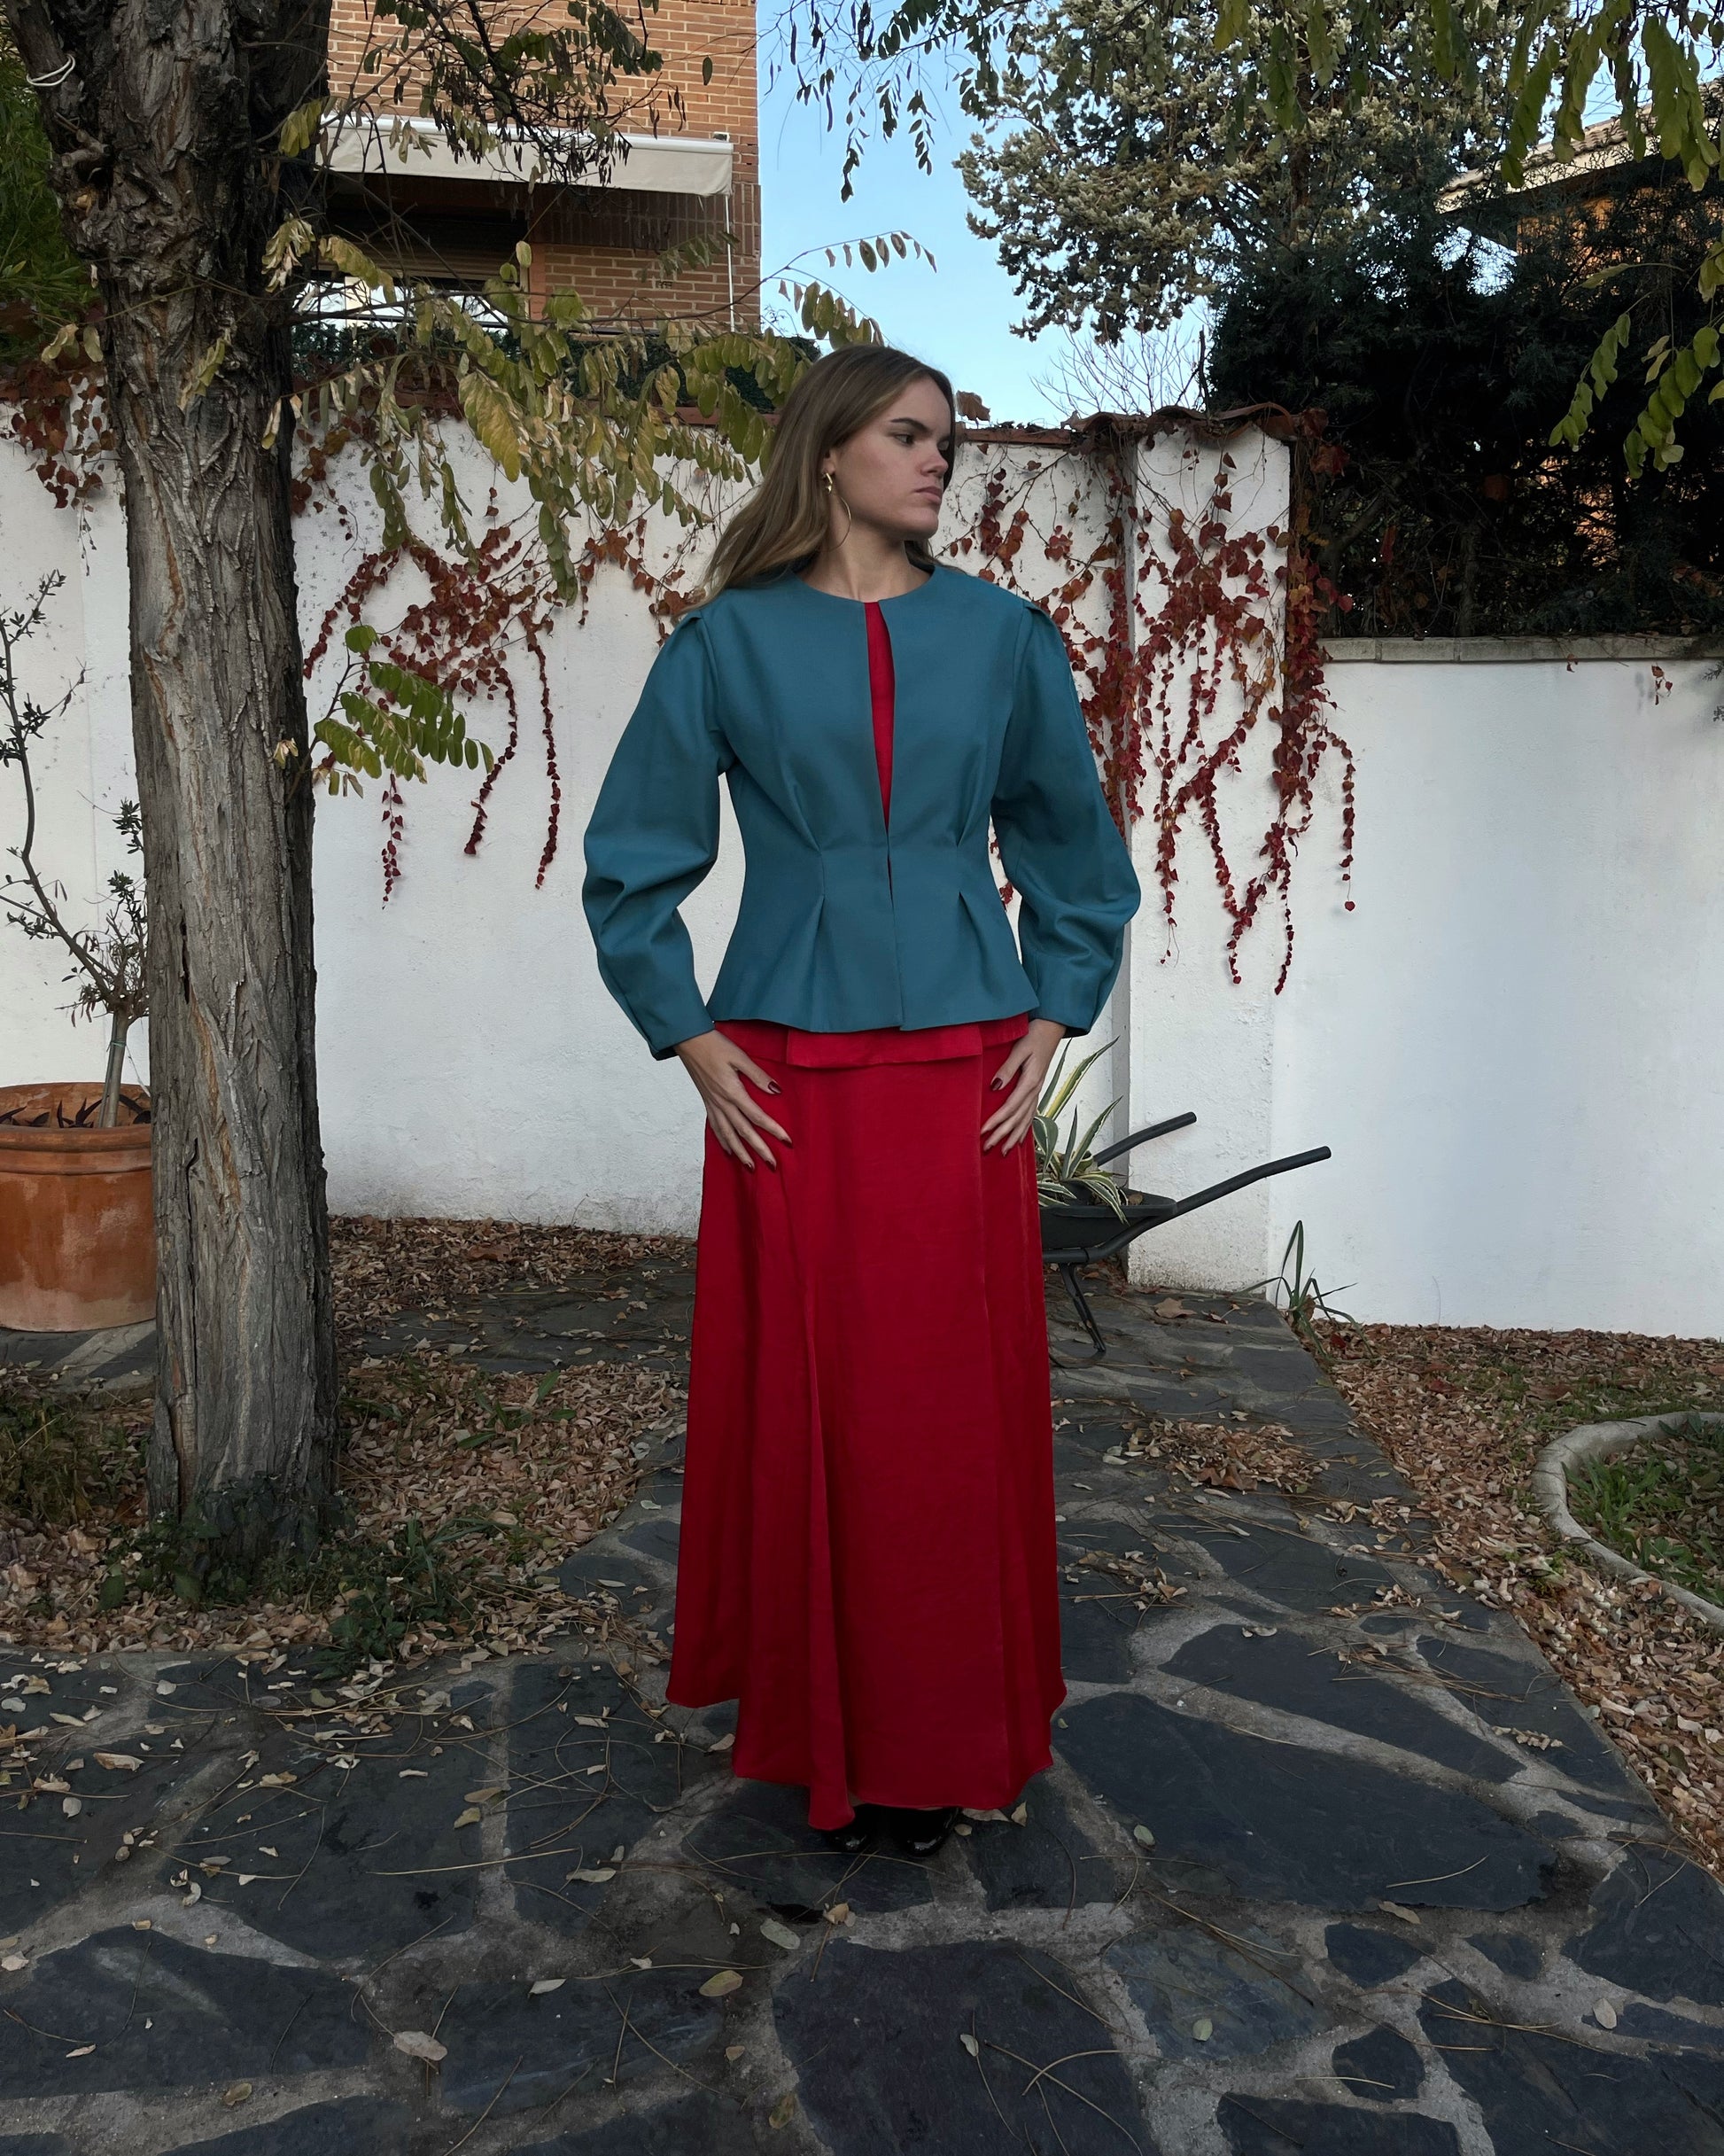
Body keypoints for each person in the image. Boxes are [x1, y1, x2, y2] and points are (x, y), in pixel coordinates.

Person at [581, 345, 1140, 1861]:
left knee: (943, 1408)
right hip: (789, 1072)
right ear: (828, 452)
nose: (937, 462)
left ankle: (944, 1728)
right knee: (817, 1395)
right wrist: (686, 1036)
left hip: (959, 1072)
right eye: (908, 435)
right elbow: (632, 863)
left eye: (946, 442)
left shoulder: (1005, 640)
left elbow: (1076, 851)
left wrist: (1052, 1007)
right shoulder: (723, 647)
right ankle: (816, 1720)